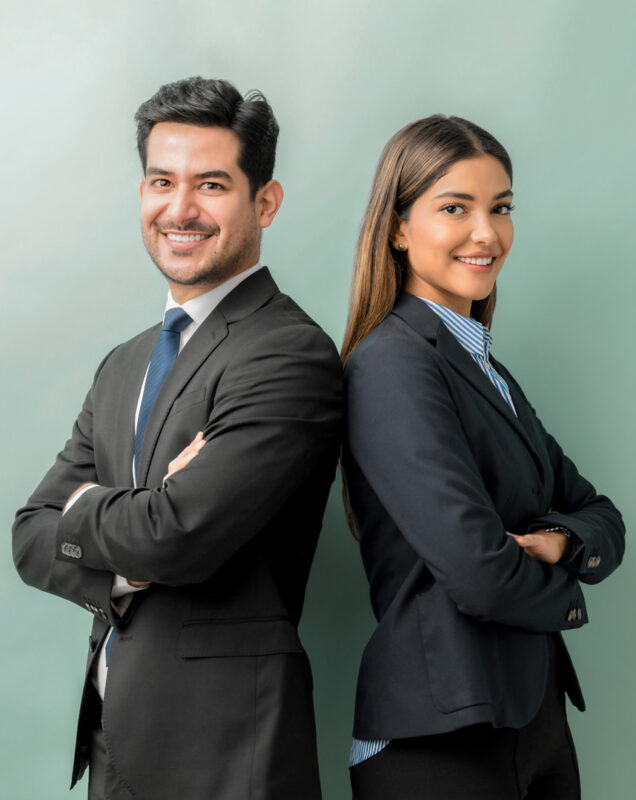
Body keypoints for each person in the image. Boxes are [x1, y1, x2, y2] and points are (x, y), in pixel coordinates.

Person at [13, 77, 342, 800]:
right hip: (114, 744)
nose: (180, 209)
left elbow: (178, 536)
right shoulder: (123, 363)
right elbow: (32, 538)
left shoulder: (289, 352)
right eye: (162, 181)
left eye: (212, 184)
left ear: (266, 201)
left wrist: (97, 510)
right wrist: (135, 531)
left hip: (227, 755)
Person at [340, 115, 625, 800]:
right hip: (440, 738)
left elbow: (603, 516)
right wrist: (571, 597)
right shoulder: (392, 366)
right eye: (454, 208)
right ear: (399, 228)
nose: (486, 233)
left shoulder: (487, 370)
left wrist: (558, 542)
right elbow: (480, 573)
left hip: (531, 718)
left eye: (500, 208)